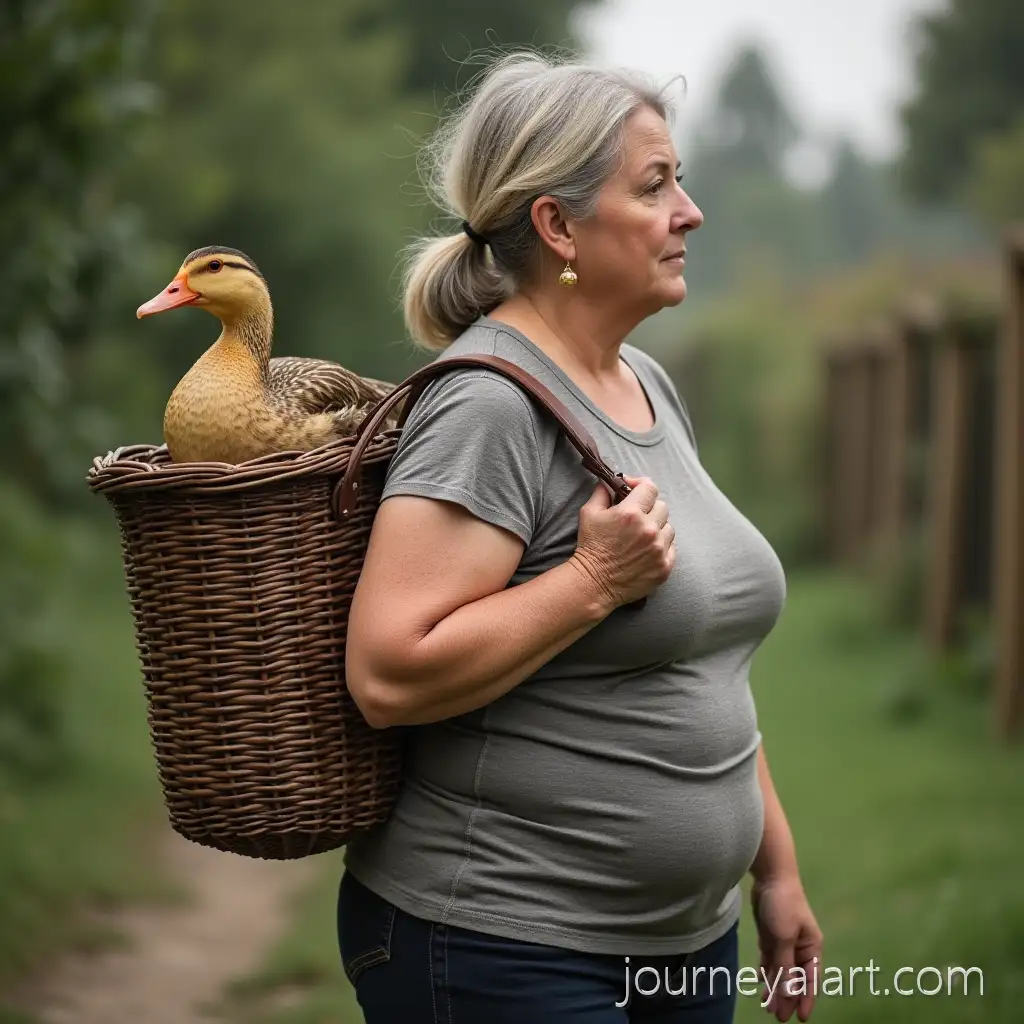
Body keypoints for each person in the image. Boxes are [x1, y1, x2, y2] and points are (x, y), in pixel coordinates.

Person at [337, 50, 822, 1024]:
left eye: (679, 180)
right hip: (501, 947)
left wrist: (776, 867)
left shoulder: (644, 381)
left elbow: (701, 659)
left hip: (685, 945)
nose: (690, 211)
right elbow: (387, 672)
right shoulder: (487, 403)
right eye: (655, 185)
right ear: (558, 224)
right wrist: (592, 580)